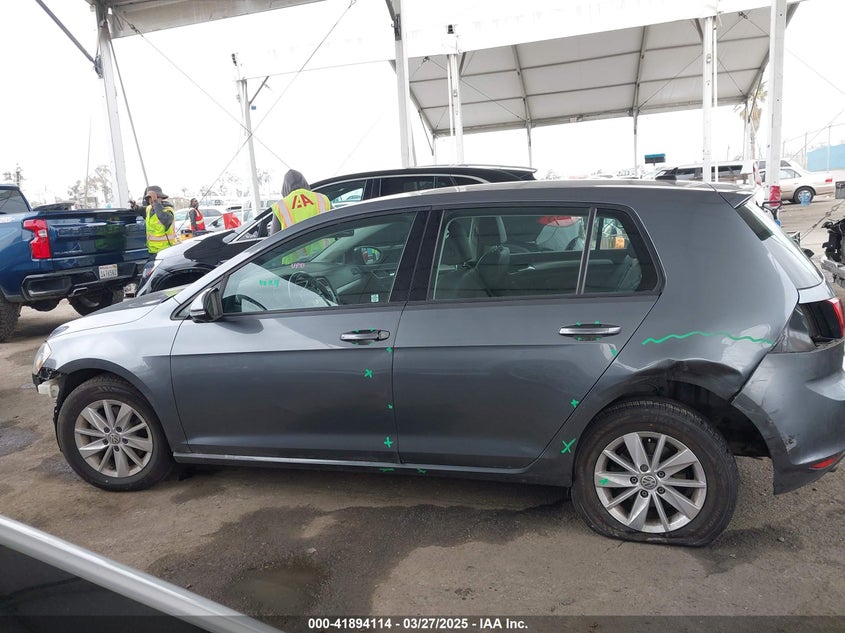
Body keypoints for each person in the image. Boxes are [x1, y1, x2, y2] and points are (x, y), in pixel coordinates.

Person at [269, 169, 331, 235]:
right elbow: (336, 220)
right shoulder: (322, 198)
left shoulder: (280, 206)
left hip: (297, 242)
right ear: (304, 182)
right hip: (325, 241)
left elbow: (273, 237)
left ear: (285, 187)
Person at [144, 185, 176, 258]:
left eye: (155, 197)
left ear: (161, 198)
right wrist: (135, 207)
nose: (151, 200)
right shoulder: (149, 209)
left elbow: (164, 218)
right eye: (150, 198)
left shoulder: (168, 210)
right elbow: (141, 210)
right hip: (152, 251)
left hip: (165, 251)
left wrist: (155, 202)